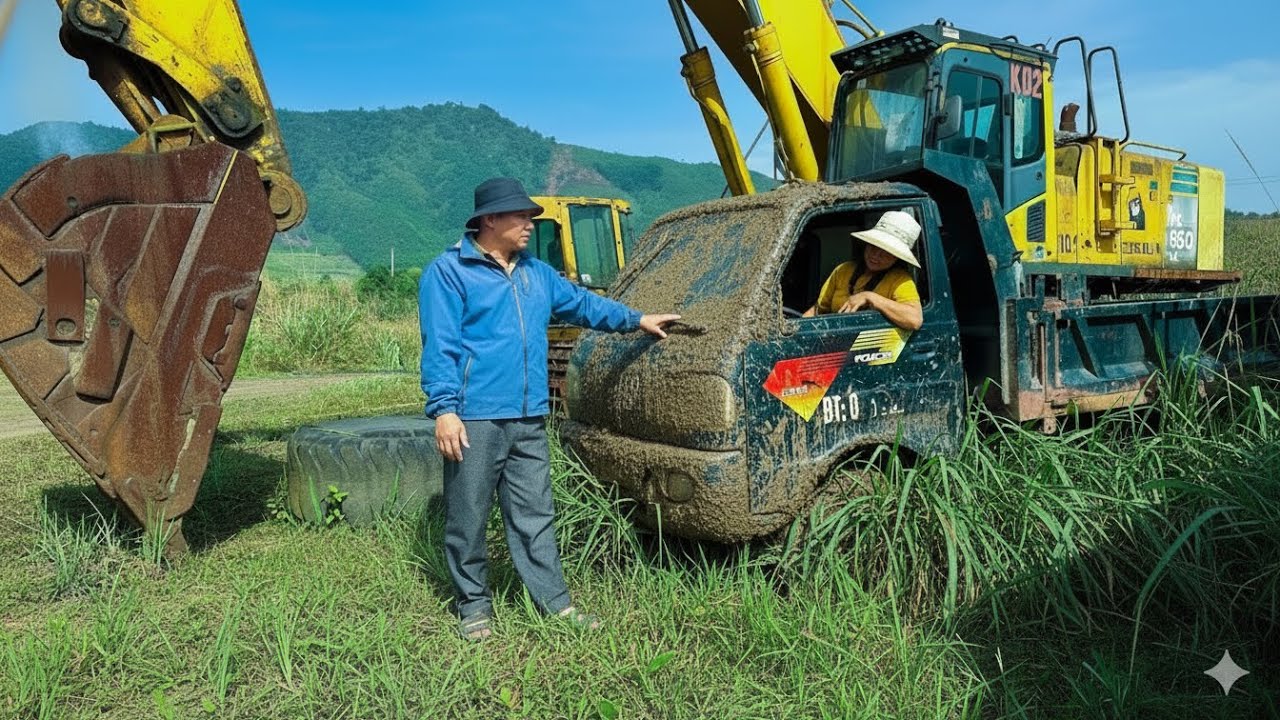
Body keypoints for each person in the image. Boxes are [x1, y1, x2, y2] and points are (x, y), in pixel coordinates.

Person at [419, 177, 680, 642]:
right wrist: (444, 409)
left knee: (535, 512)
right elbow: (441, 346)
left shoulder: (536, 273)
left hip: (528, 417)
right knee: (468, 513)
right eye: (521, 216)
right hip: (474, 415)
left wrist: (636, 319)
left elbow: (582, 306)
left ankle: (554, 603)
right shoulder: (449, 272)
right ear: (490, 220)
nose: (529, 224)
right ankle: (474, 605)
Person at [801, 210, 923, 331]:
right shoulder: (843, 270)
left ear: (897, 257)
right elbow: (818, 310)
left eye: (886, 252)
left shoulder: (900, 280)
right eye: (873, 246)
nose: (876, 255)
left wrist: (870, 297)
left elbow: (914, 320)